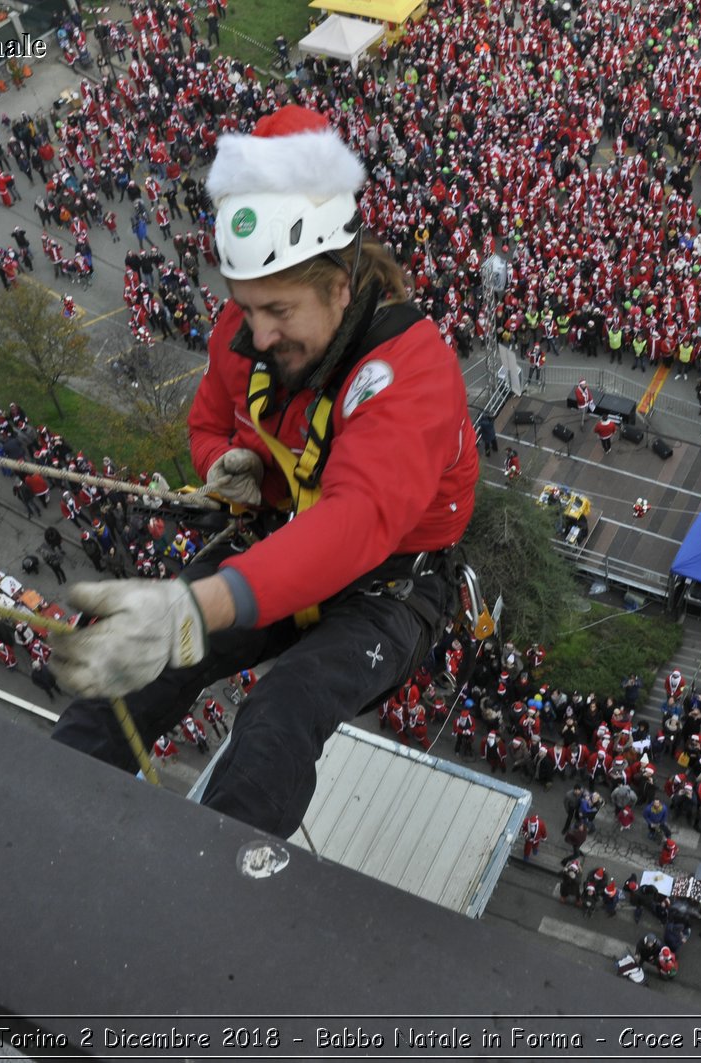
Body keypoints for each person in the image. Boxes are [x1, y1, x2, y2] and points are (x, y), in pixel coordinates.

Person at [51, 106, 478, 839]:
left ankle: (218, 904)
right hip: (282, 536)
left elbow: (356, 524)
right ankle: (41, 809)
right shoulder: (249, 326)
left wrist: (197, 609)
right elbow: (209, 419)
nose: (258, 333)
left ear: (342, 285)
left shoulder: (411, 373)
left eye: (278, 309)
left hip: (387, 585)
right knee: (145, 667)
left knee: (282, 710)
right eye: (245, 306)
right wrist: (225, 463)